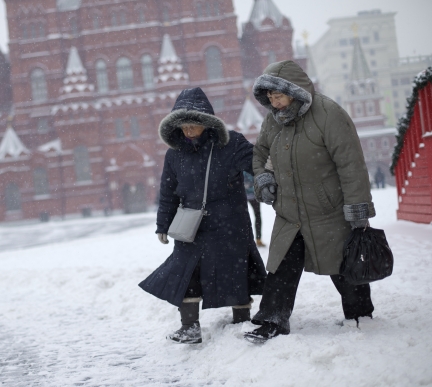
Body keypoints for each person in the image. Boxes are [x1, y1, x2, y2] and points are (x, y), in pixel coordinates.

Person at [244, 60, 376, 343]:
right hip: (289, 211)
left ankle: (360, 315)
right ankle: (272, 320)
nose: (273, 102)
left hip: (327, 210)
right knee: (279, 266)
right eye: (269, 97)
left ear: (295, 92)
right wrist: (263, 178)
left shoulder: (329, 114)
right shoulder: (273, 119)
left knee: (343, 265)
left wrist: (357, 208)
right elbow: (259, 154)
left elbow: (351, 164)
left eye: (277, 96)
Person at [139, 87, 266, 344]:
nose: (187, 130)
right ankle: (189, 326)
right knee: (186, 271)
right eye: (182, 125)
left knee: (235, 269)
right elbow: (168, 192)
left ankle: (241, 319)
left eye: (192, 124)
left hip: (230, 221)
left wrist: (266, 179)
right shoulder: (174, 155)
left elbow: (257, 164)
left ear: (206, 123)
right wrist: (163, 224)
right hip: (191, 224)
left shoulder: (231, 143)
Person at [243, 171, 265, 247]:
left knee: (257, 217)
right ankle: (251, 239)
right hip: (244, 196)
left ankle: (258, 239)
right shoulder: (248, 165)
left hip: (251, 196)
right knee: (246, 218)